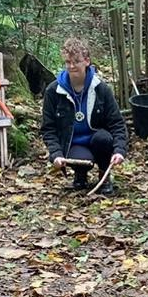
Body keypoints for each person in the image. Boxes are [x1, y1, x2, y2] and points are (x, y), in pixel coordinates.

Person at [41, 37, 128, 195]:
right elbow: (48, 129)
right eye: (68, 62)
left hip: (97, 139)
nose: (72, 66)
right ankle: (80, 176)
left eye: (76, 61)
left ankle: (104, 175)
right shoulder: (53, 91)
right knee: (81, 159)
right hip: (73, 144)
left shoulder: (101, 89)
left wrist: (119, 150)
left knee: (104, 139)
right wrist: (56, 154)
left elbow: (117, 124)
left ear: (87, 61)